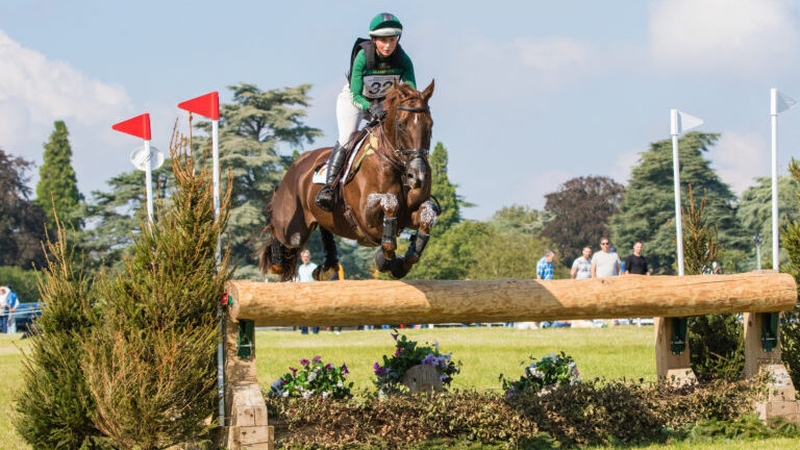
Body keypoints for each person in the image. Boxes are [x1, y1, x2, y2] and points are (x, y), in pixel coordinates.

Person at [315, 12, 417, 212]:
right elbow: (355, 94)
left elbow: (410, 92)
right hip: (356, 102)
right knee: (346, 138)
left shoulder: (403, 59)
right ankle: (329, 188)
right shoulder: (363, 56)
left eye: (392, 40)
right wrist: (371, 107)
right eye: (383, 41)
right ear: (374, 40)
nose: (388, 45)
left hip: (383, 104)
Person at [296, 250, 320, 334]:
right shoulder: (300, 268)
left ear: (310, 257)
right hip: (303, 293)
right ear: (301, 258)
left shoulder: (314, 267)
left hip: (312, 292)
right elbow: (299, 280)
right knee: (303, 312)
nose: (305, 258)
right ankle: (304, 331)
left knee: (314, 312)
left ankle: (315, 331)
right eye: (304, 257)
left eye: (307, 256)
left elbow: (318, 279)